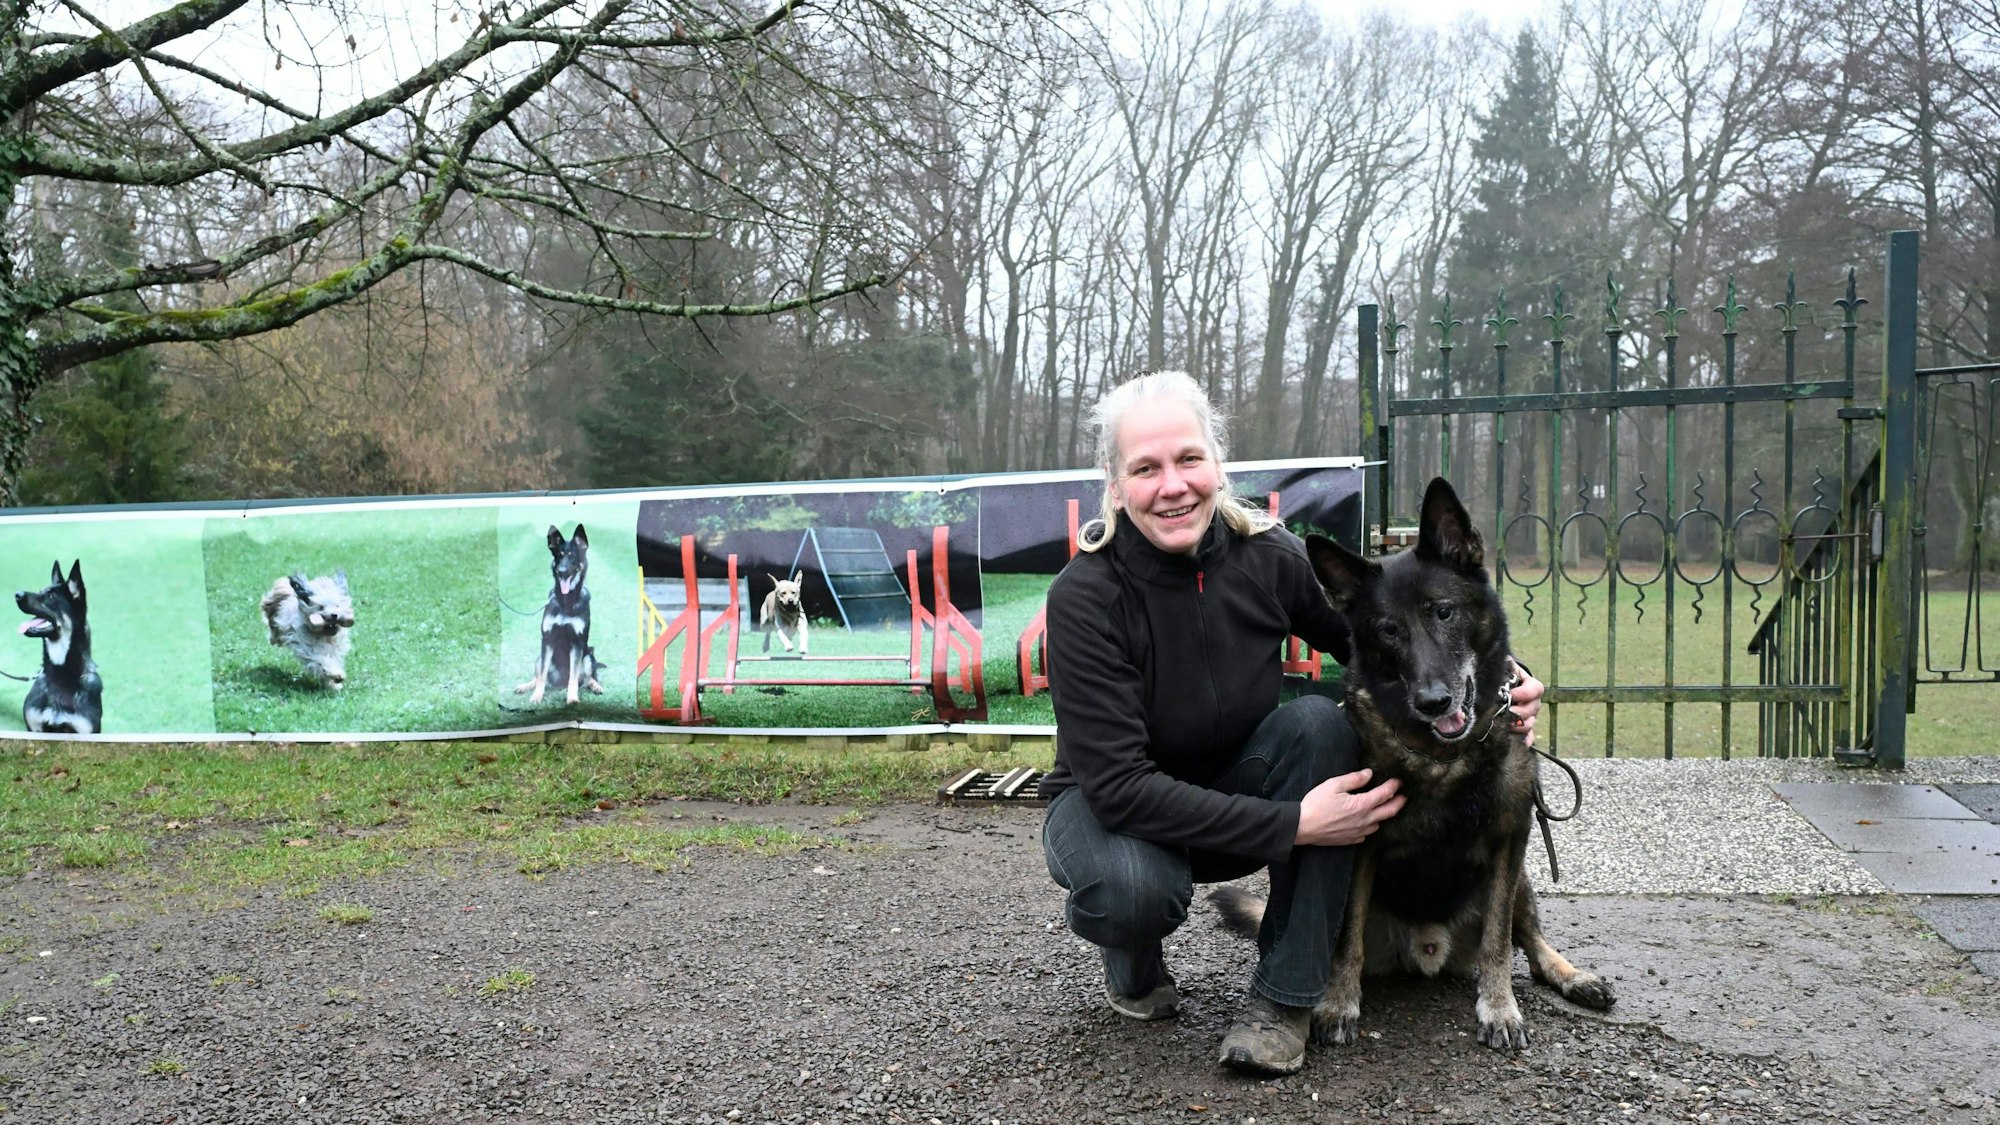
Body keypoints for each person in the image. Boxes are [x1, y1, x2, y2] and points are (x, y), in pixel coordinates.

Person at [1037, 371, 1544, 1076]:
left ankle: (1284, 999)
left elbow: (1379, 644)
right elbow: (1120, 788)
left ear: (1218, 463)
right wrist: (1296, 825)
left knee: (1320, 726)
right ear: (1115, 486)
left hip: (1236, 779)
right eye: (1145, 468)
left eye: (1188, 458)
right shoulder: (1085, 597)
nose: (1173, 484)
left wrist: (1502, 682)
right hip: (1116, 812)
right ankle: (1133, 959)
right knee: (1133, 887)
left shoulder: (1268, 557)